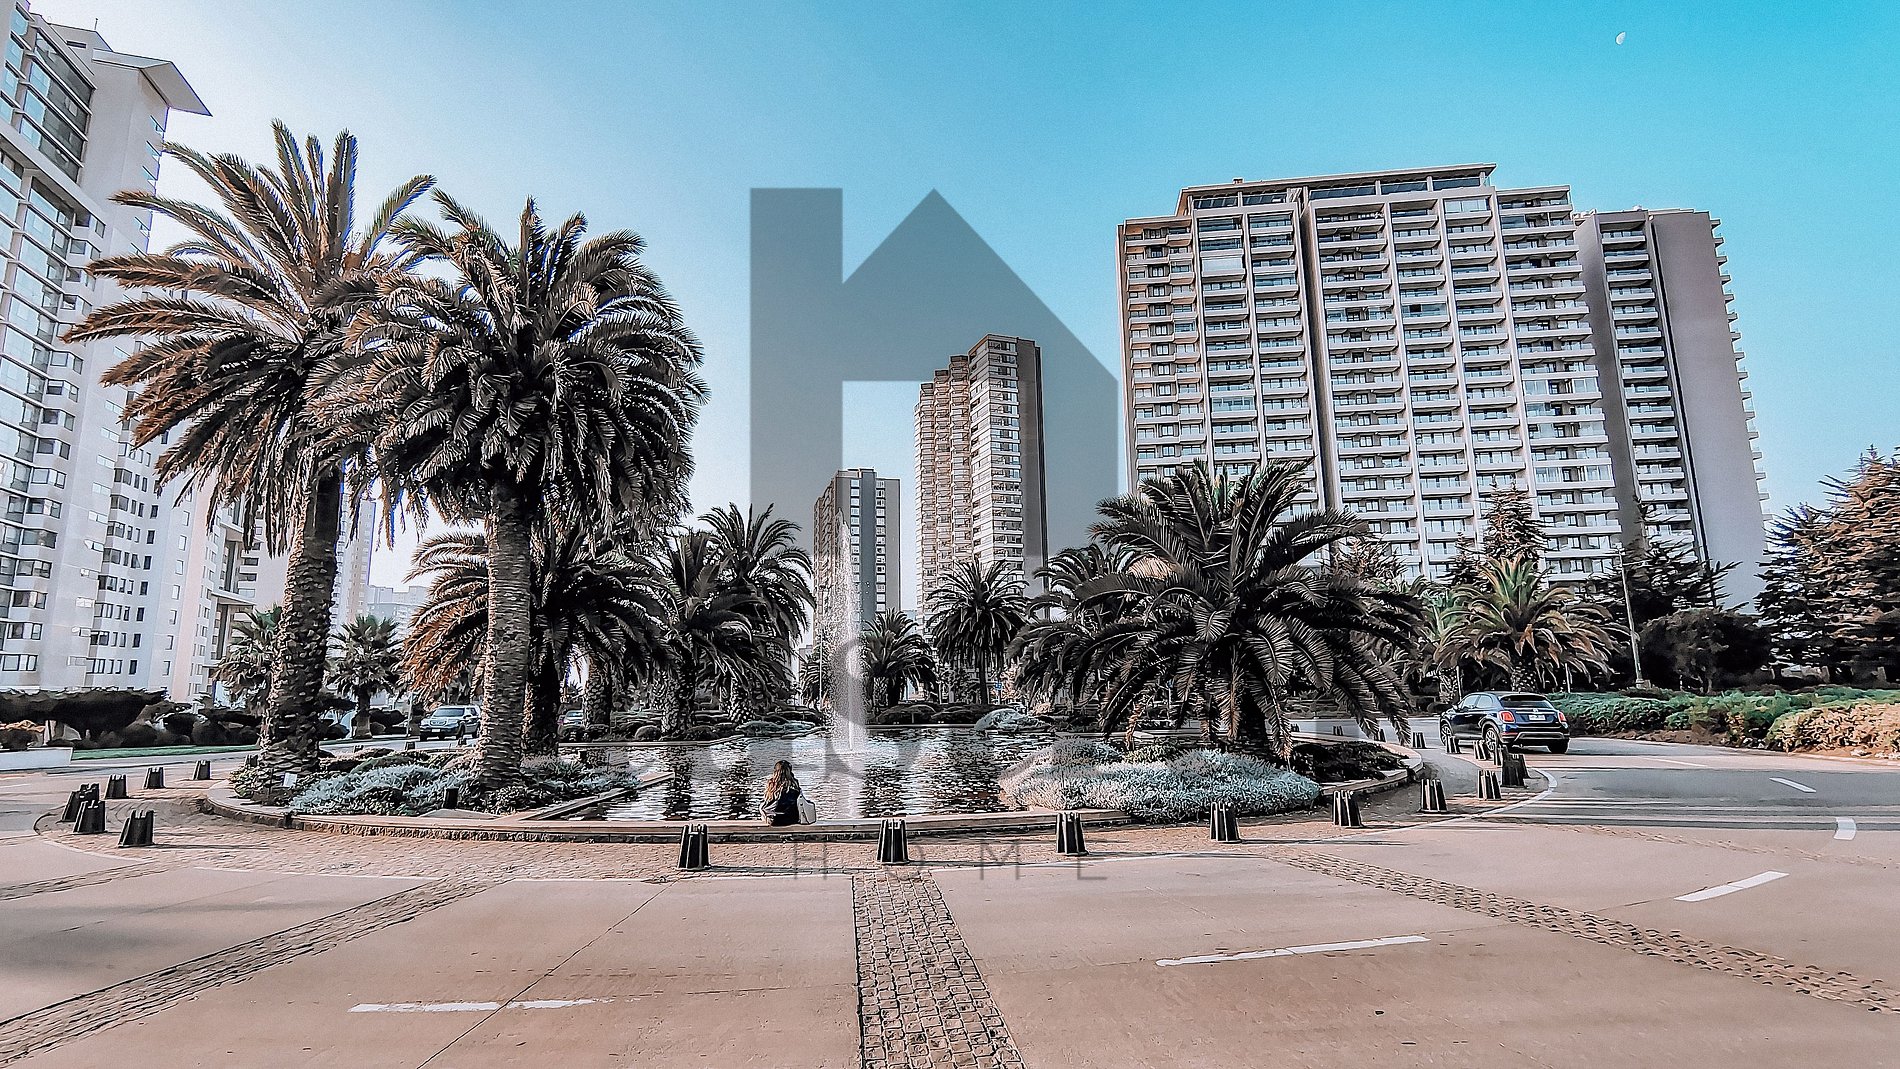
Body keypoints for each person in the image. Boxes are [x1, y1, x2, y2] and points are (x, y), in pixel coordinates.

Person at [761, 760, 802, 826]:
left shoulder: (771, 784)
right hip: (791, 819)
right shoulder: (794, 784)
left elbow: (767, 801)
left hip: (773, 819)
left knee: (762, 806)